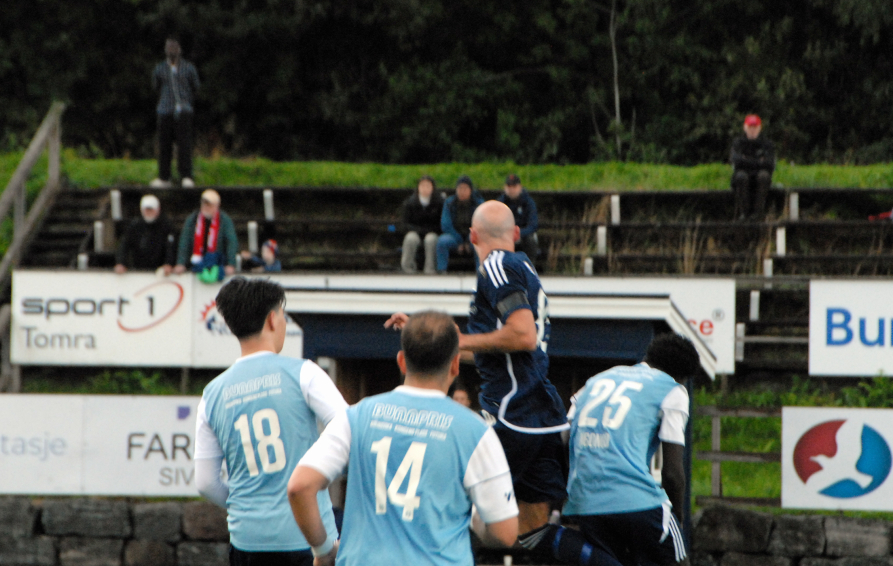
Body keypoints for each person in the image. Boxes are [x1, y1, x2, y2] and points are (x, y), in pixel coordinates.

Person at [386, 202, 620, 566]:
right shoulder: (523, 266)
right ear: (516, 233)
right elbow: (498, 349)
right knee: (533, 531)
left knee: (448, 507)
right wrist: (429, 335)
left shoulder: (496, 265)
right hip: (540, 416)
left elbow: (522, 335)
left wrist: (455, 339)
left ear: (472, 236)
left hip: (510, 415)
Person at [288, 311, 519, 566]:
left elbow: (300, 487)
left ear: (401, 361)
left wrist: (323, 551)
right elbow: (505, 533)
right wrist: (474, 518)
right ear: (455, 365)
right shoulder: (476, 431)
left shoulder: (356, 416)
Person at [194, 277, 348, 566]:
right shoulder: (303, 373)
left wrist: (249, 506)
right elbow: (350, 428)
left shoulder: (212, 393)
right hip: (308, 539)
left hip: (246, 540)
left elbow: (205, 483)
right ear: (272, 320)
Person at [563, 333, 701, 566]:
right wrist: (676, 517)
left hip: (586, 504)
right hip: (637, 501)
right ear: (682, 377)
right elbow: (672, 473)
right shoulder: (672, 389)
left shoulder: (596, 380)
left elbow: (565, 438)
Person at [150, 36, 200, 188]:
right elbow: (155, 86)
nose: (172, 50)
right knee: (164, 145)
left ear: (180, 49)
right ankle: (164, 177)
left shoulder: (188, 68)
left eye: (174, 47)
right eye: (169, 47)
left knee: (184, 145)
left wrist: (186, 100)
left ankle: (186, 176)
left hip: (183, 110)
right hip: (165, 110)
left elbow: (195, 86)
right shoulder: (160, 68)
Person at [174, 189, 239, 280]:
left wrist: (231, 264)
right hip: (195, 263)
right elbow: (184, 241)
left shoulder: (224, 220)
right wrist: (181, 263)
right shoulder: (192, 219)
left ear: (217, 206)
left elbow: (231, 242)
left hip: (218, 264)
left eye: (210, 205)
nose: (206, 207)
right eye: (204, 204)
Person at [114, 194, 176, 274]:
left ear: (158, 210)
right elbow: (124, 245)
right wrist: (121, 262)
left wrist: (168, 263)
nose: (148, 213)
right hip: (138, 270)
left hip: (160, 271)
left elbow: (171, 247)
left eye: (151, 210)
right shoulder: (135, 226)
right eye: (146, 210)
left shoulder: (167, 226)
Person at [730, 114, 775, 220]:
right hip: (742, 175)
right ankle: (744, 214)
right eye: (750, 127)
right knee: (741, 177)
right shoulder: (738, 143)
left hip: (760, 176)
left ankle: (758, 214)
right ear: (745, 127)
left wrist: (746, 161)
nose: (752, 130)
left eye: (755, 127)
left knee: (764, 176)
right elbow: (736, 161)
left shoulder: (767, 144)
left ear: (760, 128)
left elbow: (770, 164)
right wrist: (758, 162)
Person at [435, 175, 484, 272]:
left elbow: (481, 225)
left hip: (472, 237)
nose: (462, 191)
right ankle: (441, 271)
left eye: (465, 188)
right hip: (454, 237)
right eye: (460, 188)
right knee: (442, 241)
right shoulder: (449, 203)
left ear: (471, 190)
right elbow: (445, 224)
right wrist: (460, 240)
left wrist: (469, 239)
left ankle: (481, 272)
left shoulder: (478, 203)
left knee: (480, 242)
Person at [400, 175, 443, 274]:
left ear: (433, 188)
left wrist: (429, 230)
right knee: (410, 238)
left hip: (432, 232)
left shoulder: (439, 203)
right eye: (422, 186)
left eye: (428, 186)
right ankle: (407, 268)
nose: (425, 188)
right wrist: (418, 230)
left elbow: (440, 224)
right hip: (415, 232)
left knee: (431, 239)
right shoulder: (410, 203)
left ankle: (430, 269)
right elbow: (405, 224)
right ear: (418, 187)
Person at [497, 174, 540, 262]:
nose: (511, 190)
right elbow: (495, 223)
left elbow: (533, 225)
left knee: (530, 240)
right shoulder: (500, 203)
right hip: (505, 236)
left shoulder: (528, 202)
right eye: (509, 186)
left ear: (520, 187)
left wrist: (518, 233)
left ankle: (529, 266)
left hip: (523, 235)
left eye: (514, 186)